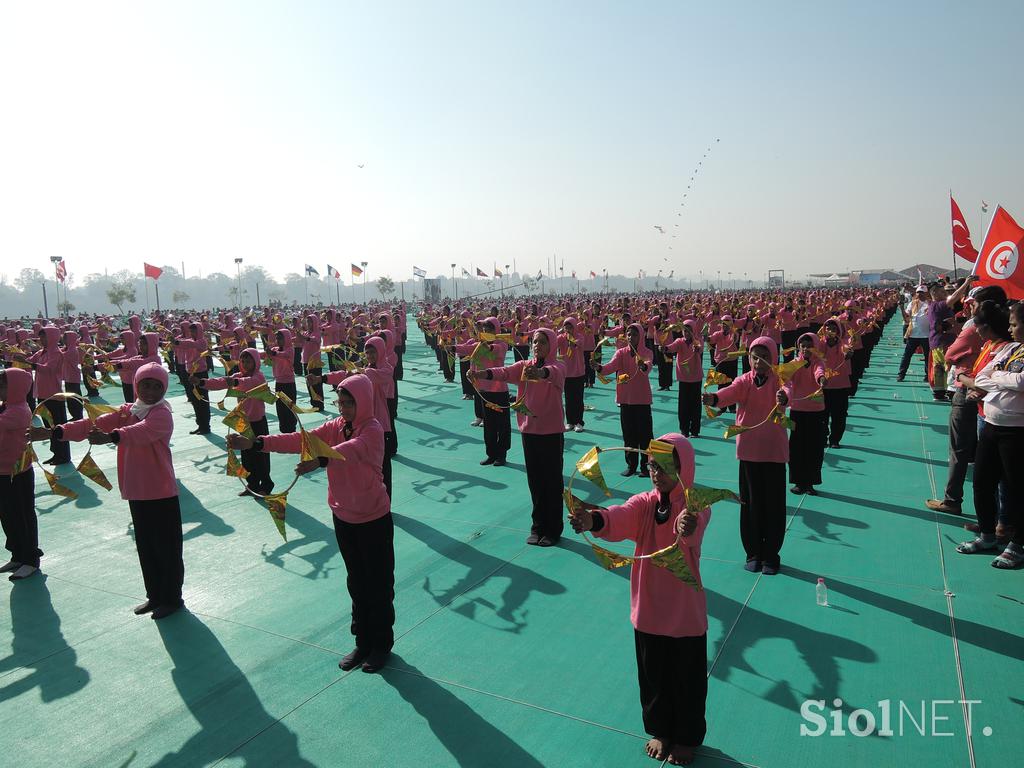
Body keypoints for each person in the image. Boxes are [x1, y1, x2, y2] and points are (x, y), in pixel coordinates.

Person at [229, 374, 395, 672]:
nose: (343, 408)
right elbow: (301, 440)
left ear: (365, 402)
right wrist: (256, 443)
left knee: (378, 584)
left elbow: (353, 450)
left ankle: (381, 645)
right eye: (340, 402)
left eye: (350, 403)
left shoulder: (372, 429)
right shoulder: (335, 427)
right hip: (344, 516)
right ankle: (363, 642)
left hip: (373, 518)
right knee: (357, 582)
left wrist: (320, 460)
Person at [569, 433, 709, 766]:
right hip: (648, 609)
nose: (656, 473)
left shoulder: (695, 504)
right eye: (651, 466)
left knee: (687, 679)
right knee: (653, 676)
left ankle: (687, 737)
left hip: (684, 611)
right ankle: (660, 730)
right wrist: (594, 519)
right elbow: (621, 516)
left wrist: (686, 526)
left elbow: (694, 529)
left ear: (683, 469)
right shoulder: (645, 502)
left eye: (664, 467)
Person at [41, 363, 185, 619]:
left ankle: (172, 598)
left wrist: (112, 437)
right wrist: (59, 431)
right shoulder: (127, 411)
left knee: (166, 548)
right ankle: (155, 595)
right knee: (147, 546)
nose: (150, 391)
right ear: (136, 385)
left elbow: (143, 432)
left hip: (160, 491)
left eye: (157, 386)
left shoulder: (161, 413)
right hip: (136, 490)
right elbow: (93, 423)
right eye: (145, 385)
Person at [469, 328, 566, 546]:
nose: (536, 346)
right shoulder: (524, 367)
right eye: (534, 342)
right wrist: (481, 374)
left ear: (551, 345)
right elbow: (503, 372)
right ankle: (537, 526)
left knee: (552, 482)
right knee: (535, 482)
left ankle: (553, 529)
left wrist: (540, 374)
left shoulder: (558, 367)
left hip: (550, 433)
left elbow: (552, 373)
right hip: (529, 431)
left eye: (542, 342)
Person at [702, 337, 789, 574]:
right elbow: (729, 393)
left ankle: (771, 555)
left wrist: (784, 398)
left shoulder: (779, 380)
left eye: (764, 356)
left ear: (773, 358)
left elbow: (787, 390)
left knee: (774, 506)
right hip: (749, 453)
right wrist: (714, 399)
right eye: (754, 356)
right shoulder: (744, 381)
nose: (759, 361)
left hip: (773, 453)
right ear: (748, 359)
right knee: (750, 505)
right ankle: (753, 553)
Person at [956, 301, 1024, 568]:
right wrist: (999, 377)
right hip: (992, 424)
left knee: (1018, 489)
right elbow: (982, 376)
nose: (1010, 329)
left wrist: (998, 378)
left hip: (1017, 431)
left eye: (1015, 324)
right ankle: (987, 535)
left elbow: (1021, 382)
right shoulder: (1010, 349)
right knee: (982, 482)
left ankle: (1017, 544)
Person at [197, 348, 274, 498]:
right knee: (246, 455)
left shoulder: (259, 377)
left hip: (258, 423)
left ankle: (266, 485)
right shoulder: (238, 375)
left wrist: (235, 382)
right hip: (243, 422)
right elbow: (221, 382)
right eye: (243, 361)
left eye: (248, 361)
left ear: (256, 362)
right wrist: (202, 382)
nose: (245, 364)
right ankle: (252, 484)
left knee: (260, 455)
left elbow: (249, 383)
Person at [593, 323, 654, 477]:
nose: (630, 337)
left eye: (634, 334)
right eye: (628, 334)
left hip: (642, 400)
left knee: (645, 435)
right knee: (629, 434)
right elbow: (609, 368)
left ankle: (647, 466)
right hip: (625, 400)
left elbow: (648, 365)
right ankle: (631, 465)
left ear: (640, 336)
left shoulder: (646, 352)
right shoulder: (621, 353)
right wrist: (598, 367)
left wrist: (643, 366)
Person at [0, 368, 42, 580]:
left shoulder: (18, 411)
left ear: (16, 389)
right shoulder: (7, 407)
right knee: (7, 514)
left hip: (18, 472)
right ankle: (17, 554)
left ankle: (30, 559)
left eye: (4, 385)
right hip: (3, 471)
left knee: (22, 515)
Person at [784, 333, 827, 495]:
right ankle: (798, 482)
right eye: (803, 346)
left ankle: (810, 482)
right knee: (795, 447)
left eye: (809, 346)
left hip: (816, 412)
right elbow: (786, 377)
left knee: (814, 448)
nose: (806, 349)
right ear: (799, 347)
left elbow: (819, 372)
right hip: (797, 410)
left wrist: (821, 379)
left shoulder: (818, 363)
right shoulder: (794, 363)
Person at [897, 285, 930, 382]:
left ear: (926, 293)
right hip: (913, 334)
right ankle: (901, 374)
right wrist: (902, 308)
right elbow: (906, 319)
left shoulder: (930, 304)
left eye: (922, 292)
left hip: (926, 335)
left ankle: (927, 375)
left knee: (928, 357)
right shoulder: (912, 303)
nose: (920, 294)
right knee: (906, 355)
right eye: (918, 292)